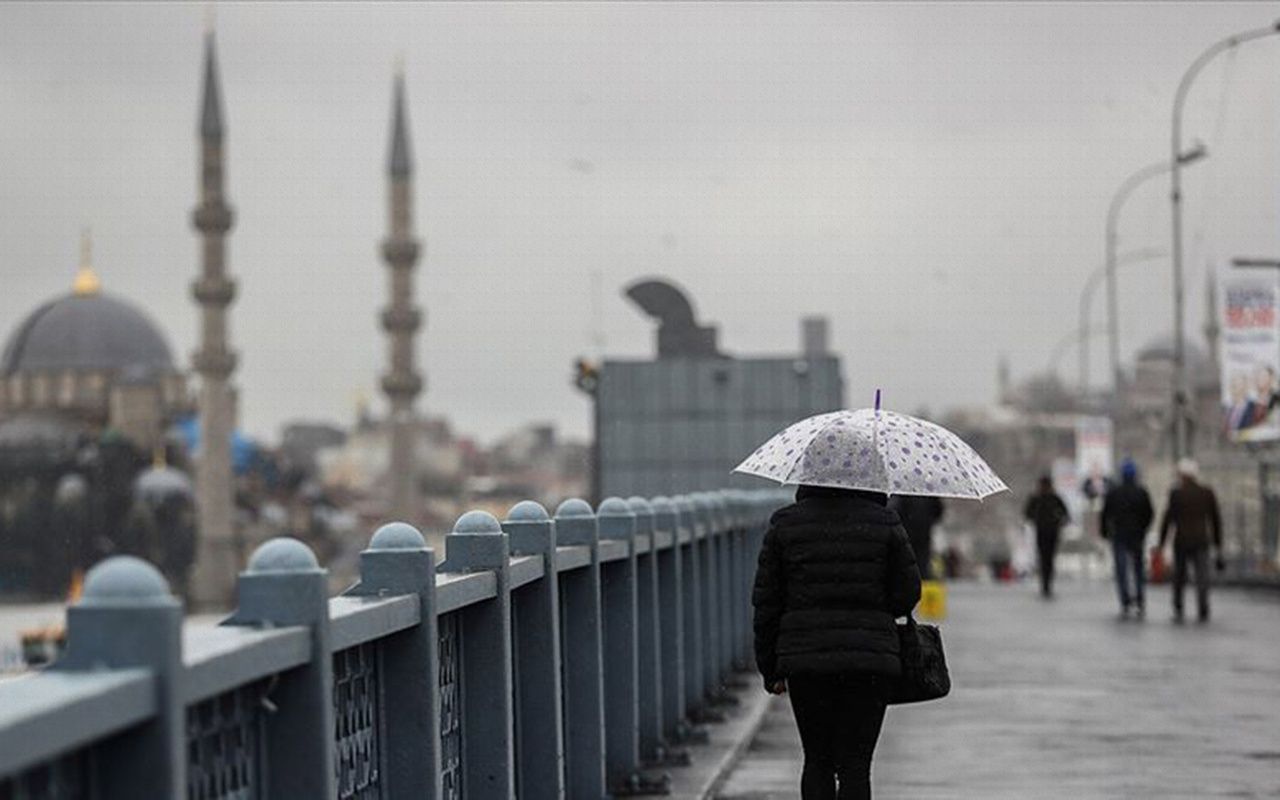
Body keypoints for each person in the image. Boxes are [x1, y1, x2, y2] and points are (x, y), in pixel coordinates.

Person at [753, 485, 922, 800]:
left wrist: (770, 669)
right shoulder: (885, 522)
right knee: (856, 765)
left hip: (806, 660)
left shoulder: (786, 523)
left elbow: (767, 604)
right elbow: (907, 594)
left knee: (817, 759)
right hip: (870, 659)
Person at [1157, 458, 1224, 623]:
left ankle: (1178, 606)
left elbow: (1168, 519)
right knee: (1202, 576)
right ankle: (1203, 606)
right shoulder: (1207, 493)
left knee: (1180, 576)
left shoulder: (1176, 494)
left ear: (1183, 475)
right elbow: (1215, 519)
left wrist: (1162, 542)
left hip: (1182, 541)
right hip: (1202, 540)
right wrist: (1218, 543)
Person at [1101, 458, 1154, 619]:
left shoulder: (1114, 492)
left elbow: (1105, 514)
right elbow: (1149, 513)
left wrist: (1105, 531)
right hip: (1137, 535)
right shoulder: (1141, 492)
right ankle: (1139, 599)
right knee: (1138, 569)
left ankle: (1125, 600)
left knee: (1121, 569)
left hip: (1119, 535)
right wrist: (1143, 529)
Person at [1023, 474, 1069, 598]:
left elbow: (1027, 514)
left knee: (1044, 559)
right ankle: (1047, 584)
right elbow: (1065, 514)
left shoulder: (1037, 498)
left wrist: (1036, 519)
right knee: (1048, 559)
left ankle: (1045, 584)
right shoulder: (1053, 498)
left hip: (1042, 531)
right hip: (1051, 532)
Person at [888, 494, 944, 579]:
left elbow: (895, 510)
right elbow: (938, 512)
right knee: (921, 565)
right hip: (923, 535)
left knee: (906, 563)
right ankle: (921, 584)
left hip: (906, 534)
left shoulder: (903, 493)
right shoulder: (929, 493)